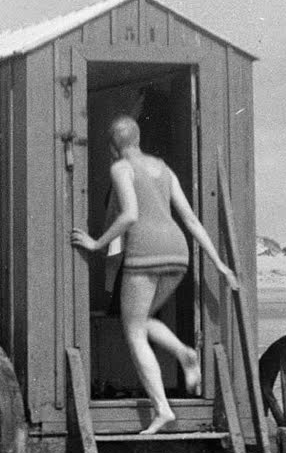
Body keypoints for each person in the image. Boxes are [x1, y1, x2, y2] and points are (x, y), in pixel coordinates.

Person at [70, 116, 238, 434]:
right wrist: (218, 262)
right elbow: (190, 219)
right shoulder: (163, 168)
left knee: (133, 332)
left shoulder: (121, 168)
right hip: (178, 251)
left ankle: (163, 409)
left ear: (112, 146)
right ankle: (185, 353)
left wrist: (96, 244)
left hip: (145, 251)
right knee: (143, 320)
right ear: (138, 138)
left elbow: (129, 214)